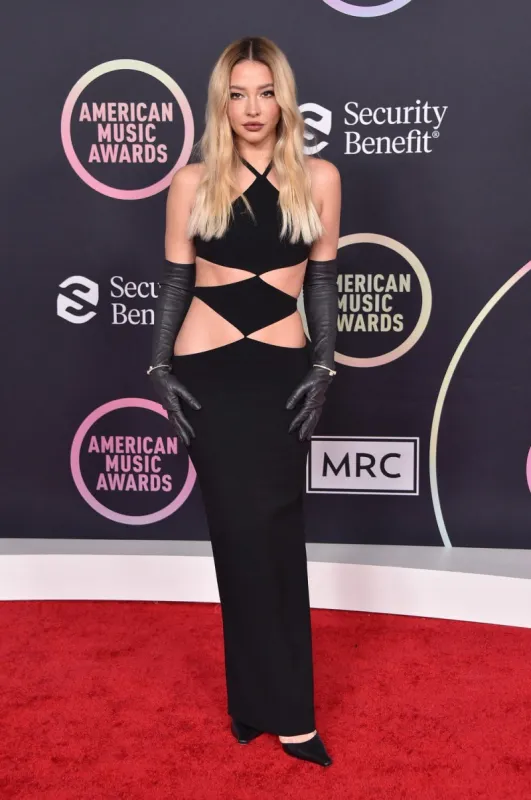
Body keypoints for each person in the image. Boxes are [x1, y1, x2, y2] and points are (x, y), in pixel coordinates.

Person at [148, 35, 340, 767]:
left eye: (264, 92)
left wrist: (323, 367)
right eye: (238, 93)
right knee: (234, 536)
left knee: (279, 534)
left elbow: (320, 279)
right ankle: (249, 705)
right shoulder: (191, 182)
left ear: (282, 99)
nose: (252, 108)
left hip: (282, 375)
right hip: (208, 374)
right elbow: (174, 279)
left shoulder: (317, 178)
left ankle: (292, 714)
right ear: (220, 102)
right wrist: (159, 368)